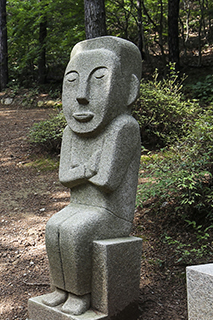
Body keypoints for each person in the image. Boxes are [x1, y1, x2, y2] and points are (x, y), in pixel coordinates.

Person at [37, 36, 141, 316]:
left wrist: (80, 172)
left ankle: (80, 295)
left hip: (111, 213)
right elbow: (65, 177)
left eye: (98, 79)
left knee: (74, 231)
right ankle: (61, 291)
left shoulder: (124, 128)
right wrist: (85, 170)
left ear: (129, 90)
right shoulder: (70, 133)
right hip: (80, 206)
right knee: (53, 227)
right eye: (72, 80)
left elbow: (106, 181)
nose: (81, 94)